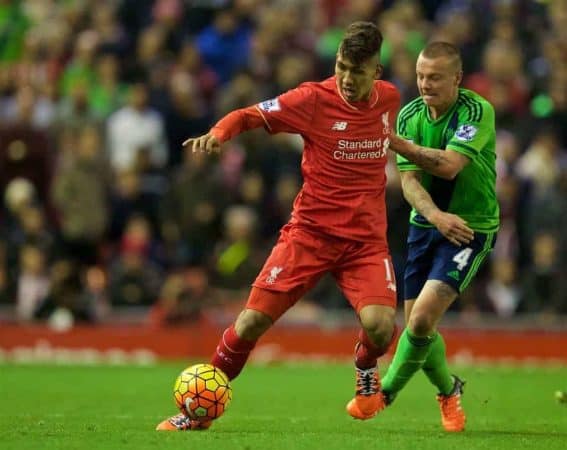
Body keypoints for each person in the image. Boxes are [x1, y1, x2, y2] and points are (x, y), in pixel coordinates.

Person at [156, 21, 401, 431]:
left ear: (376, 72)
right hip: (309, 236)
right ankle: (196, 413)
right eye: (341, 66)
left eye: (357, 71)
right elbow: (249, 114)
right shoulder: (311, 98)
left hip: (364, 244)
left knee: (380, 327)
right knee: (250, 322)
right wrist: (218, 133)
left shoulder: (390, 100)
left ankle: (364, 366)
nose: (346, 78)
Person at [351, 42, 499, 432]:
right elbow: (409, 181)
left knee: (419, 321)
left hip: (470, 228)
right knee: (420, 327)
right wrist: (435, 216)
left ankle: (384, 392)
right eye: (420, 76)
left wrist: (396, 143)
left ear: (456, 78)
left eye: (434, 77)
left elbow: (450, 166)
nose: (425, 84)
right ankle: (449, 391)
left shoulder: (476, 111)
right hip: (426, 226)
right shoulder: (411, 114)